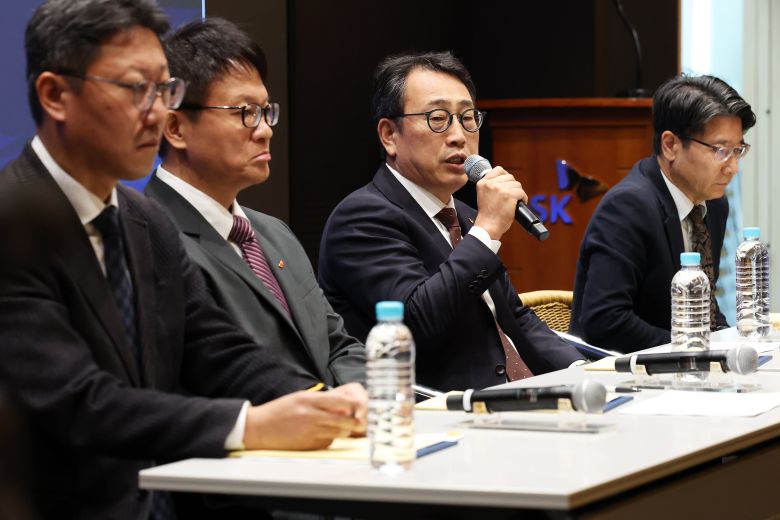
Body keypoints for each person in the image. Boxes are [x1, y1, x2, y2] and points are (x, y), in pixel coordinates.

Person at [0, 1, 365, 518]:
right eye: (136, 89)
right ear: (56, 95)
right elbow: (76, 401)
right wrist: (251, 425)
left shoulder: (145, 221)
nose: (157, 112)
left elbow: (218, 349)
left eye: (164, 90)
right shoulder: (12, 222)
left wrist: (324, 403)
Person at [318, 51, 584, 392]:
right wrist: (488, 230)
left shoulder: (466, 216)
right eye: (438, 118)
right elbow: (417, 321)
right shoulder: (361, 218)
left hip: (521, 398)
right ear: (389, 135)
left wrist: (581, 372)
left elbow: (514, 318)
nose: (459, 135)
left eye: (468, 118)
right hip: (441, 410)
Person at [145, 18, 366, 389]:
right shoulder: (151, 239)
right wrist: (326, 407)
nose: (265, 130)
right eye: (245, 112)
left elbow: (337, 346)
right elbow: (212, 382)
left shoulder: (274, 232)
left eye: (266, 111)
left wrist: (366, 401)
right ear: (176, 128)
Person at [569, 74, 756, 352]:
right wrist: (692, 349)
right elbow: (605, 322)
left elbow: (703, 305)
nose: (732, 168)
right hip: (618, 369)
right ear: (670, 145)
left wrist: (729, 344)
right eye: (720, 150)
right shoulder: (628, 207)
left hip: (684, 363)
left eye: (737, 150)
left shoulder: (714, 204)